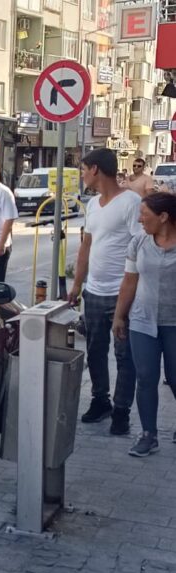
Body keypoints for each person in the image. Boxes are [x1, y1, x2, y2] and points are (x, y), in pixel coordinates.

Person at [69, 147, 141, 435]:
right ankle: (101, 401)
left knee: (125, 355)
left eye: (84, 169)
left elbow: (138, 248)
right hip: (94, 292)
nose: (82, 174)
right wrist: (77, 284)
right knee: (95, 350)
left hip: (121, 292)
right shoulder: (93, 204)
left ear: (96, 169)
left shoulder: (131, 202)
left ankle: (121, 411)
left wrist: (130, 289)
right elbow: (87, 245)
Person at [114, 192, 176, 456]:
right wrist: (119, 315)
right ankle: (148, 434)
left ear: (163, 217)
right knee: (146, 377)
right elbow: (129, 282)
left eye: (145, 214)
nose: (140, 220)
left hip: (173, 323)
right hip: (142, 321)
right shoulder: (139, 242)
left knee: (174, 378)